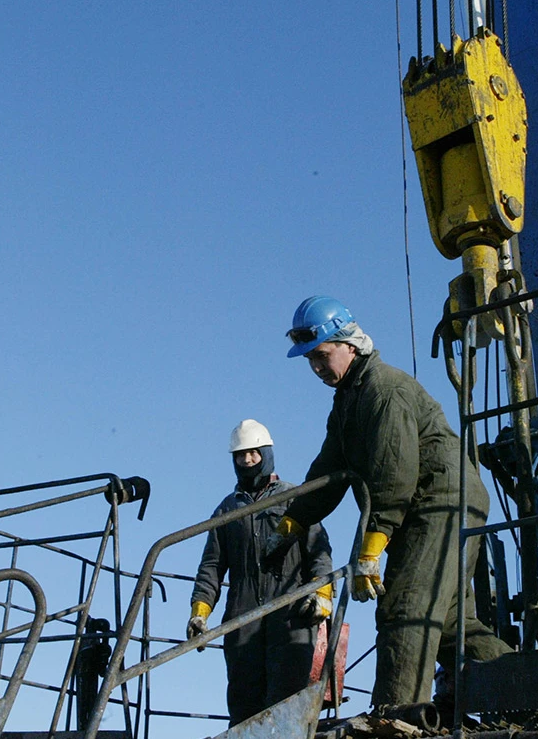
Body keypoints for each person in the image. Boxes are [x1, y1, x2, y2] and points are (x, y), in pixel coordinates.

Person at [263, 296, 512, 709]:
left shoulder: (383, 388)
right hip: (434, 505)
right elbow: (330, 468)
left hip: (441, 501)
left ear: (350, 344)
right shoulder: (348, 399)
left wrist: (372, 547)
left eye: (322, 355)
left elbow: (393, 471)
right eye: (310, 360)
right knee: (450, 624)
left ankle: (396, 717)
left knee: (406, 608)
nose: (317, 367)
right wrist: (294, 520)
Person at [187, 419, 335, 726]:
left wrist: (323, 592)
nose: (247, 460)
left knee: (286, 700)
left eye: (253, 453)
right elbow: (211, 566)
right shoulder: (227, 510)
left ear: (266, 453)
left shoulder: (294, 498)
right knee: (243, 703)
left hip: (291, 614)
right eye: (240, 455)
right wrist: (199, 612)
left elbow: (318, 549)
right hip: (242, 618)